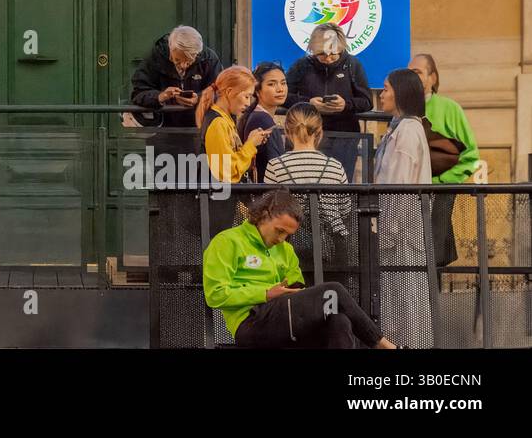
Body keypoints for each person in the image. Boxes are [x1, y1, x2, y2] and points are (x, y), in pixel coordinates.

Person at [203, 188, 395, 349]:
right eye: (279, 230)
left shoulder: (285, 249)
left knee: (339, 320)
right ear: (264, 215)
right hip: (251, 323)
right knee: (333, 291)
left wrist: (292, 293)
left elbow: (296, 289)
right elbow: (215, 295)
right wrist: (265, 293)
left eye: (287, 235)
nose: (281, 239)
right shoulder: (227, 241)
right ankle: (384, 345)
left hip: (285, 317)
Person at [374, 68, 434, 349]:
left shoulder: (408, 131)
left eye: (386, 88)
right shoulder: (401, 128)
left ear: (401, 92)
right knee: (398, 295)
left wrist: (387, 229)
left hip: (400, 232)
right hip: (398, 229)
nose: (382, 94)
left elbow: (397, 185)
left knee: (404, 296)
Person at [409, 53, 480, 280]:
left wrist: (441, 182)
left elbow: (471, 155)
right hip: (409, 194)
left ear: (433, 78)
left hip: (440, 194)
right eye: (410, 73)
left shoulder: (450, 108)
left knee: (434, 256)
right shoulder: (402, 111)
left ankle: (434, 314)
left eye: (418, 72)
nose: (413, 77)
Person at [284, 23, 373, 180]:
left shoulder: (352, 65)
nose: (328, 59)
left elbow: (366, 101)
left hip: (344, 137)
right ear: (313, 51)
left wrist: (345, 105)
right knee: (304, 181)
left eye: (334, 54)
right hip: (306, 136)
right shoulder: (302, 66)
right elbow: (284, 96)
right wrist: (308, 103)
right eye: (322, 54)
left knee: (339, 183)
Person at [263, 103, 352, 251]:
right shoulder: (335, 166)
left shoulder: (276, 166)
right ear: (319, 131)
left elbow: (269, 209)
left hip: (289, 243)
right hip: (334, 246)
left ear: (287, 130)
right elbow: (345, 209)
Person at [197, 65, 271, 239]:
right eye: (246, 96)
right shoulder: (218, 123)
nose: (248, 102)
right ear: (230, 92)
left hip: (221, 203)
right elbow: (227, 172)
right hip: (217, 206)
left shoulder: (224, 119)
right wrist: (250, 145)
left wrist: (250, 143)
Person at [130, 24, 223, 127]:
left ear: (197, 54)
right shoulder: (155, 58)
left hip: (199, 128)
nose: (183, 66)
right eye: (177, 60)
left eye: (189, 61)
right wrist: (161, 96)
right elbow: (138, 93)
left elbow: (220, 91)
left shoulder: (209, 60)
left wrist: (199, 98)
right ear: (170, 48)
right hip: (162, 130)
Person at [241, 61, 287, 179]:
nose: (280, 89)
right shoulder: (261, 119)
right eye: (272, 84)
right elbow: (275, 166)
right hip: (266, 190)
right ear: (257, 90)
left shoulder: (259, 115)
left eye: (283, 83)